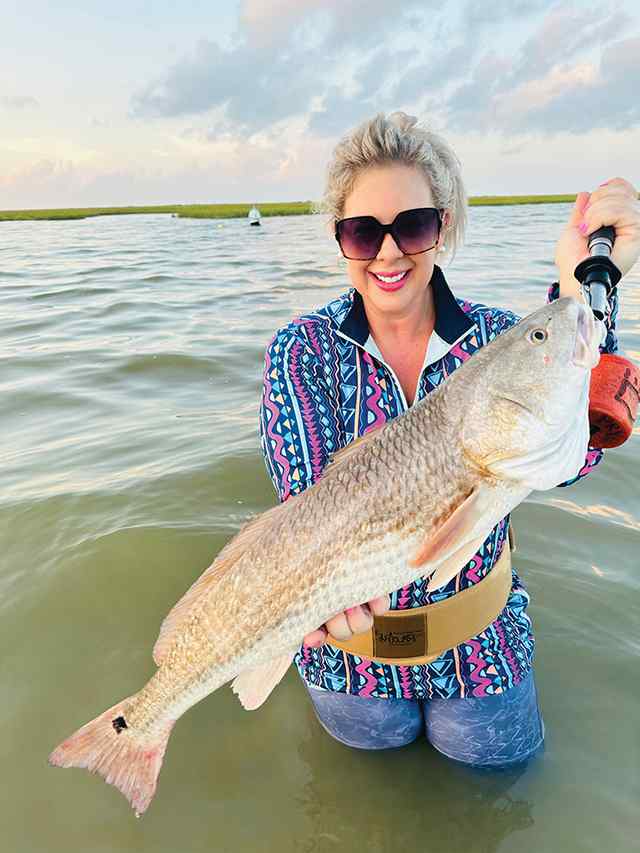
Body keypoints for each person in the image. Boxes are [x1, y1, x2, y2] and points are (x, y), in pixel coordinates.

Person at [259, 112, 640, 766]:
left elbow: (577, 449)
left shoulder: (500, 336)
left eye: (413, 225)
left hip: (483, 650)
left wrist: (591, 283)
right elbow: (304, 509)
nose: (388, 252)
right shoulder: (304, 350)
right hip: (349, 668)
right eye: (361, 231)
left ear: (444, 226)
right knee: (365, 803)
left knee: (506, 791)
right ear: (340, 238)